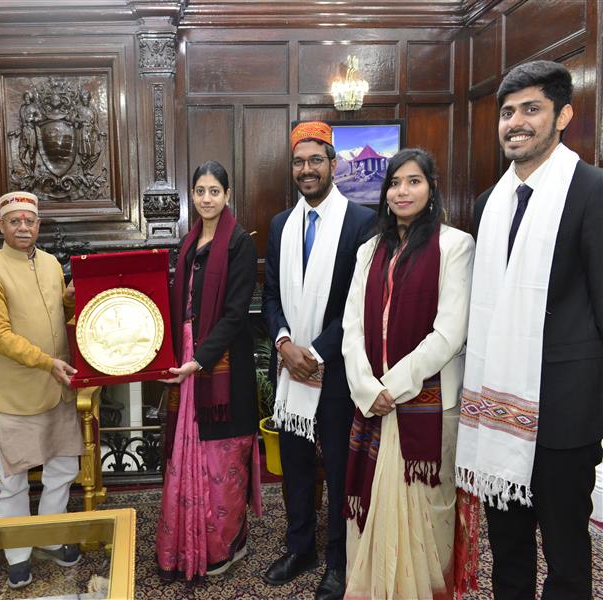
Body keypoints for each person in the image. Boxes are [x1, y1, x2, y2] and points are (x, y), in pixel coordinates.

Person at [455, 60, 603, 599]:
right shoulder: (488, 203)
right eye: (508, 112)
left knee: (565, 554)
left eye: (531, 109)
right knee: (508, 547)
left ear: (562, 116)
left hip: (565, 411)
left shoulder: (591, 190)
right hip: (497, 406)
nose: (515, 122)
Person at [340, 148, 474, 599]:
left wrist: (392, 387)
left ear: (431, 189)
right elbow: (352, 327)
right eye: (395, 183)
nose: (402, 191)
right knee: (372, 510)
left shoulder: (455, 246)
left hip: (426, 405)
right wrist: (365, 387)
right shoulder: (368, 251)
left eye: (414, 181)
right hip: (372, 401)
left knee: (428, 515)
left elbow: (449, 333)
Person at [262, 121, 375, 600]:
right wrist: (285, 345)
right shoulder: (281, 225)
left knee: (340, 469)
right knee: (296, 467)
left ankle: (339, 560)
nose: (306, 169)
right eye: (299, 162)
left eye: (315, 160)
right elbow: (270, 295)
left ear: (333, 164)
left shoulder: (361, 221)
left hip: (336, 372)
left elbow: (359, 303)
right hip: (290, 371)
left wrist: (317, 352)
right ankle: (300, 548)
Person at [155, 160, 262, 582]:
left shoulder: (239, 244)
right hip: (187, 362)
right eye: (200, 191)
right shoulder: (188, 244)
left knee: (222, 462)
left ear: (227, 195)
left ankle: (221, 547)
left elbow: (235, 315)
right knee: (185, 458)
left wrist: (200, 359)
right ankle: (184, 547)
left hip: (223, 368)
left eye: (214, 191)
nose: (206, 198)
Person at [0, 190, 83, 589]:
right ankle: (18, 554)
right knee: (14, 478)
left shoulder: (52, 264)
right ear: (1, 225)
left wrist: (69, 302)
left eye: (30, 221)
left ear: (38, 225)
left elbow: (60, 316)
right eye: (15, 221)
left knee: (63, 468)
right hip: (19, 394)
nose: (23, 227)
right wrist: (45, 362)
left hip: (59, 389)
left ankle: (50, 536)